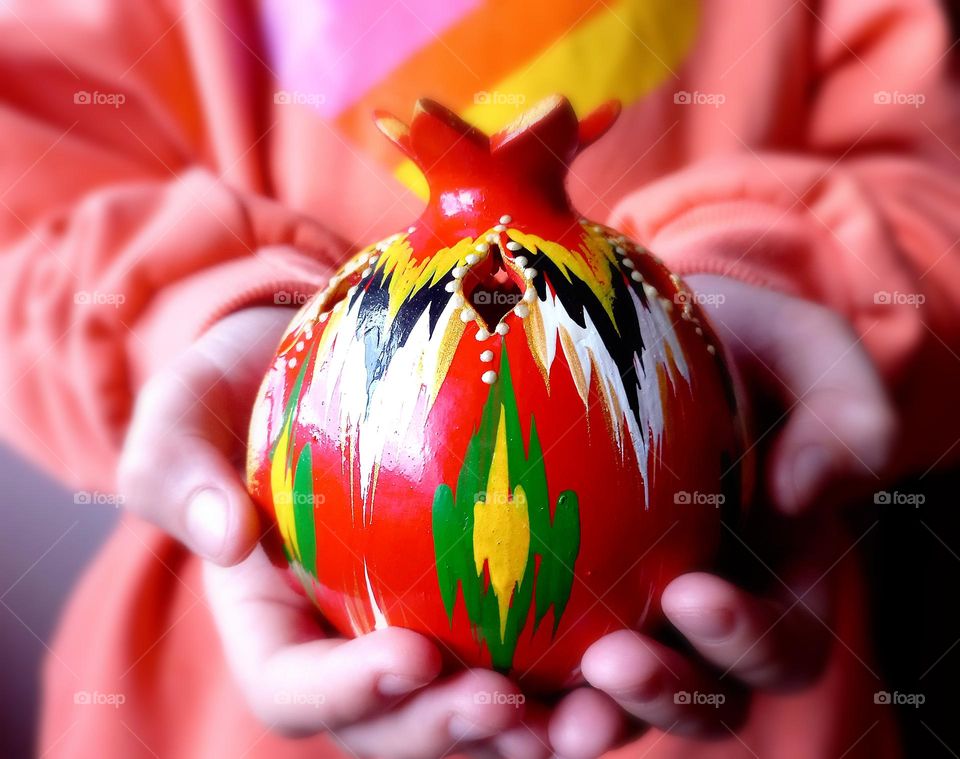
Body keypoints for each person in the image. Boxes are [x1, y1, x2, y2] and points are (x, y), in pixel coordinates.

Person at [1, 0, 958, 756]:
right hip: (208, 695)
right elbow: (25, 212)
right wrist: (204, 329)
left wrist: (769, 303)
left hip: (748, 673)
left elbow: (931, 183)